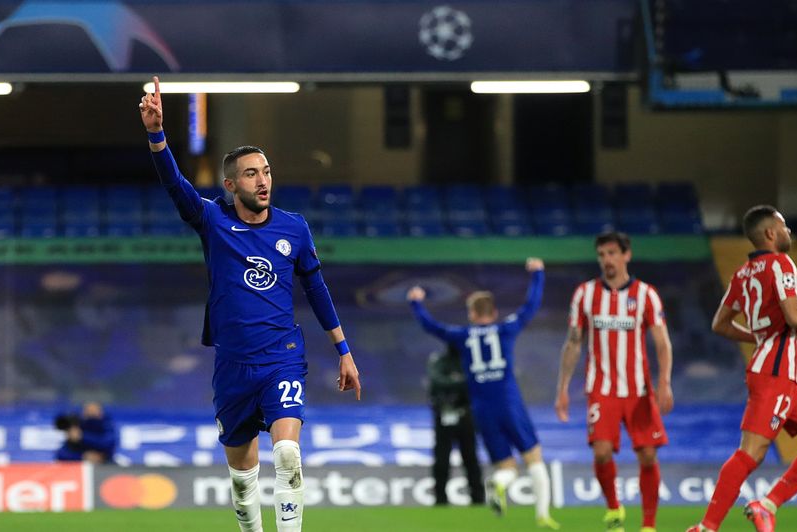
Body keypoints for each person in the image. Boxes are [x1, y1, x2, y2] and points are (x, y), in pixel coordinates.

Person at [139, 76, 361, 532]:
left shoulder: (294, 228)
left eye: (267, 171)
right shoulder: (212, 219)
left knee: (287, 453)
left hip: (282, 356)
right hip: (233, 366)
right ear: (229, 184)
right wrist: (156, 134)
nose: (263, 181)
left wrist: (343, 350)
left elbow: (316, 289)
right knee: (244, 484)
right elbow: (174, 186)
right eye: (251, 173)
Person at [686, 206, 797, 532]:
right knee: (750, 454)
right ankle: (707, 527)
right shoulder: (782, 263)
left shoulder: (742, 274)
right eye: (783, 227)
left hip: (783, 377)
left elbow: (719, 324)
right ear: (770, 233)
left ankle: (766, 505)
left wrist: (757, 336)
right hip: (774, 376)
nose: (789, 232)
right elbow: (794, 317)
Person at [407, 258, 560, 530]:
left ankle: (499, 484)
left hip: (482, 410)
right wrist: (537, 274)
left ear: (472, 313)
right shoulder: (507, 329)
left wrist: (417, 303)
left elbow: (432, 327)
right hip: (509, 403)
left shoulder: (462, 335)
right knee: (533, 456)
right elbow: (530, 306)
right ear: (494, 311)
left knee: (507, 467)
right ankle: (543, 515)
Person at [554, 231, 674, 532]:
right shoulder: (585, 294)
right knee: (602, 451)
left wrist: (665, 382)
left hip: (638, 389)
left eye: (611, 253)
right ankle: (614, 509)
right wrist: (563, 388)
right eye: (601, 254)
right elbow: (573, 342)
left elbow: (662, 342)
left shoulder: (646, 294)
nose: (606, 259)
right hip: (601, 389)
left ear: (626, 255)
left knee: (647, 455)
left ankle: (648, 525)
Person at [427, 343, 484, 506]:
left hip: (465, 414)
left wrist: (454, 382)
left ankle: (478, 499)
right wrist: (460, 382)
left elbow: (474, 383)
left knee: (471, 458)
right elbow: (437, 382)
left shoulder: (469, 361)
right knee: (441, 459)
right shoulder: (438, 361)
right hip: (444, 414)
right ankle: (440, 499)